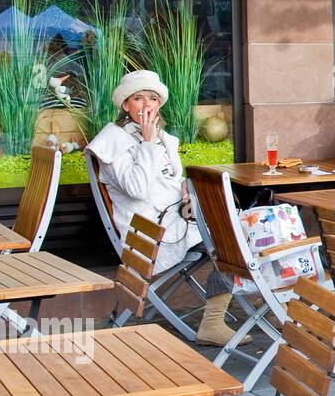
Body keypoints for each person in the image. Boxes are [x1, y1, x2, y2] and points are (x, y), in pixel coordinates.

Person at [87, 70, 243, 347]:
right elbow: (138, 189)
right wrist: (147, 144)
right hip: (147, 232)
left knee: (242, 225)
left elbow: (167, 179)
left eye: (153, 98)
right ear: (125, 105)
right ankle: (214, 322)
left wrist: (184, 188)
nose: (147, 105)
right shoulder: (113, 141)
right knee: (232, 238)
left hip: (171, 218)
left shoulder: (161, 137)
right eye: (138, 98)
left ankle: (226, 314)